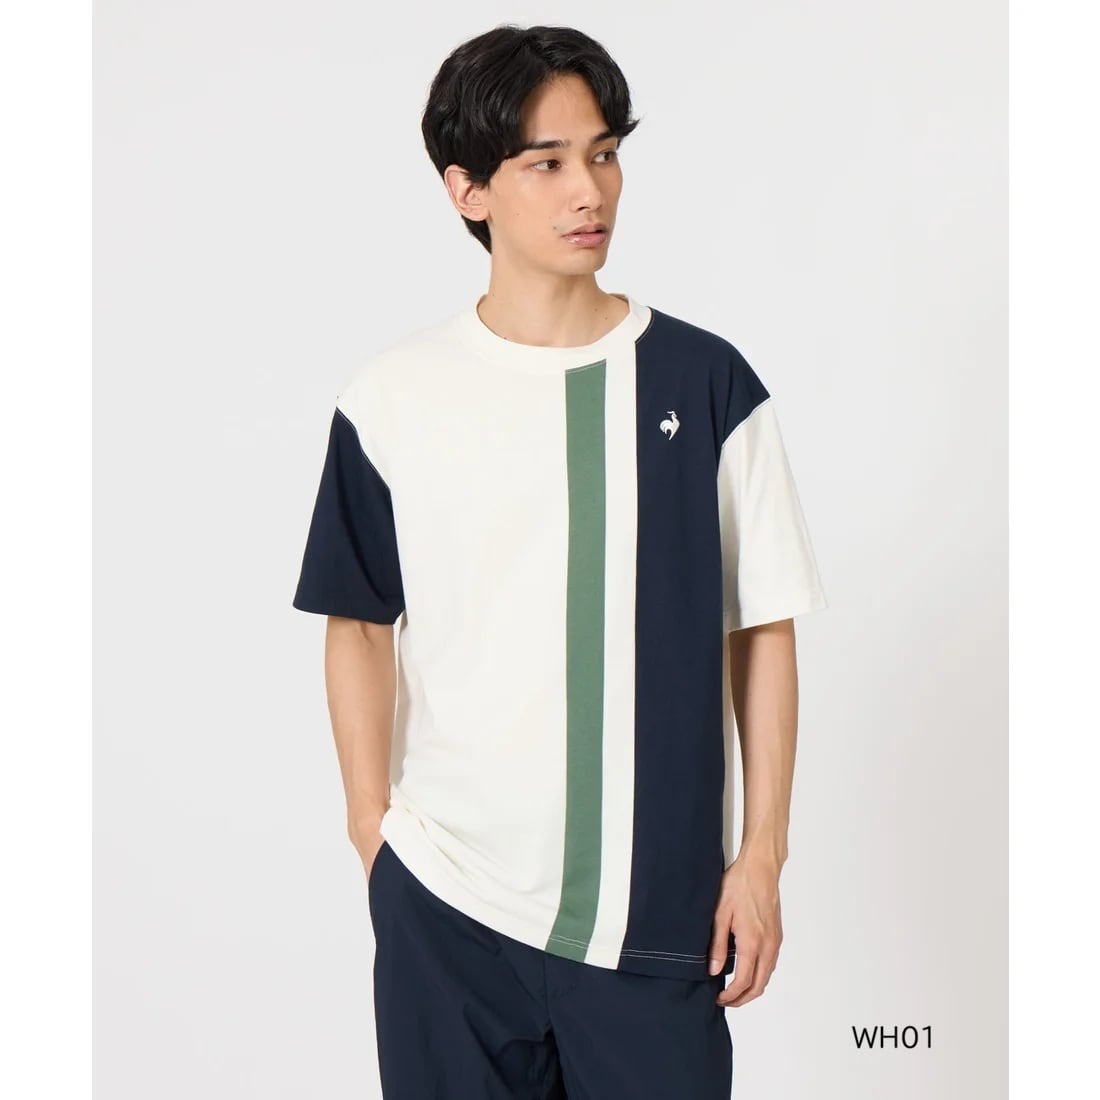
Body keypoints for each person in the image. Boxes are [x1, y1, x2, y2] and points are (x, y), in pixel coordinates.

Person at [292, 22, 827, 1099]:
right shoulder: (390, 398)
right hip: (447, 909)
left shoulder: (704, 382)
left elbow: (760, 625)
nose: (589, 190)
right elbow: (357, 620)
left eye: (604, 153)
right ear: (467, 190)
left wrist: (760, 855)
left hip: (655, 921)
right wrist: (372, 832)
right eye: (546, 163)